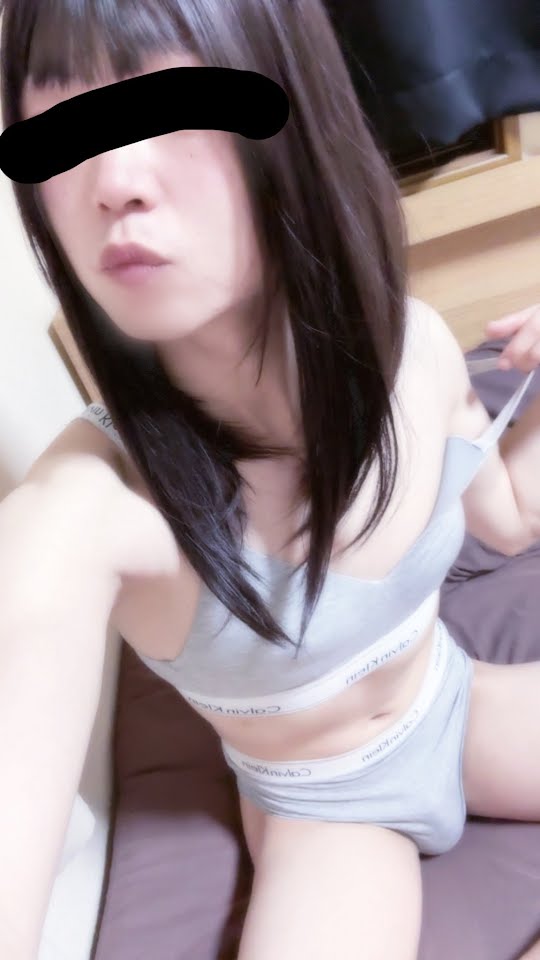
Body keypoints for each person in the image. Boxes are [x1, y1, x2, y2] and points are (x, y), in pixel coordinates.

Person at [1, 1, 539, 958]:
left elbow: (511, 522)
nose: (113, 181)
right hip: (325, 813)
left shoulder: (415, 349)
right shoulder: (80, 516)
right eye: (66, 135)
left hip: (460, 707)